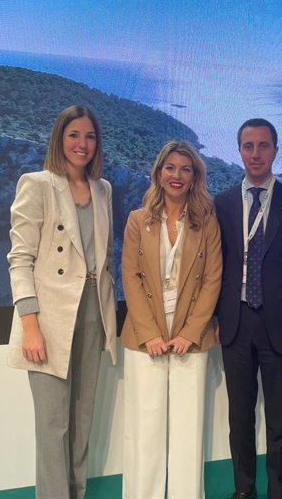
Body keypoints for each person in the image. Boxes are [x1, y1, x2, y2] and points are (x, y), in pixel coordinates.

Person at [6, 105, 118, 499]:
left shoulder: (103, 189)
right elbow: (20, 259)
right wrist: (30, 324)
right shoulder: (37, 183)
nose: (82, 144)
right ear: (59, 138)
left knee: (82, 419)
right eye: (74, 135)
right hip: (50, 316)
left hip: (93, 310)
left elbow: (102, 260)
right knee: (54, 425)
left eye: (89, 136)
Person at [214, 118, 282, 499]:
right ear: (239, 150)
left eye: (263, 145)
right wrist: (214, 317)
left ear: (275, 149)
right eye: (248, 146)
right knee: (239, 417)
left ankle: (279, 492)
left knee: (280, 421)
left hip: (281, 324)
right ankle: (244, 490)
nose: (255, 153)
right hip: (236, 323)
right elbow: (215, 265)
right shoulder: (222, 203)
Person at [120, 140, 222, 499]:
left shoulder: (207, 219)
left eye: (185, 169)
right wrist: (149, 334)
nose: (177, 175)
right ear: (159, 173)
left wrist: (191, 333)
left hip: (190, 335)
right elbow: (130, 276)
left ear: (195, 177)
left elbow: (213, 278)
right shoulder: (138, 219)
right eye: (170, 168)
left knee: (187, 429)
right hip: (144, 333)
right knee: (144, 428)